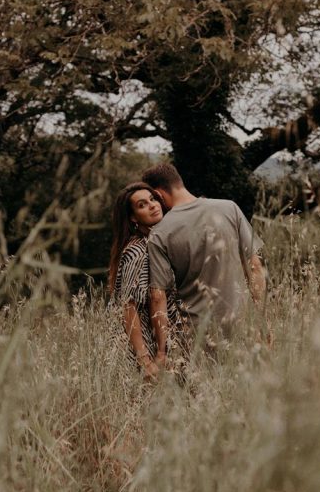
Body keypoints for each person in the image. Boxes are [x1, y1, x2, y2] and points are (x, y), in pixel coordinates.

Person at [142, 163, 266, 354]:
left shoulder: (159, 233)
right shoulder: (229, 208)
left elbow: (158, 295)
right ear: (179, 181)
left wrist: (161, 351)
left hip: (198, 337)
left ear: (158, 194)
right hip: (244, 327)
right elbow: (255, 266)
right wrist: (261, 320)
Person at [108, 182, 184, 380]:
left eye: (153, 199)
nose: (152, 205)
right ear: (133, 218)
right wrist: (144, 360)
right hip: (142, 346)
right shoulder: (137, 250)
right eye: (142, 205)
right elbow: (128, 306)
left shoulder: (156, 242)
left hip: (160, 344)